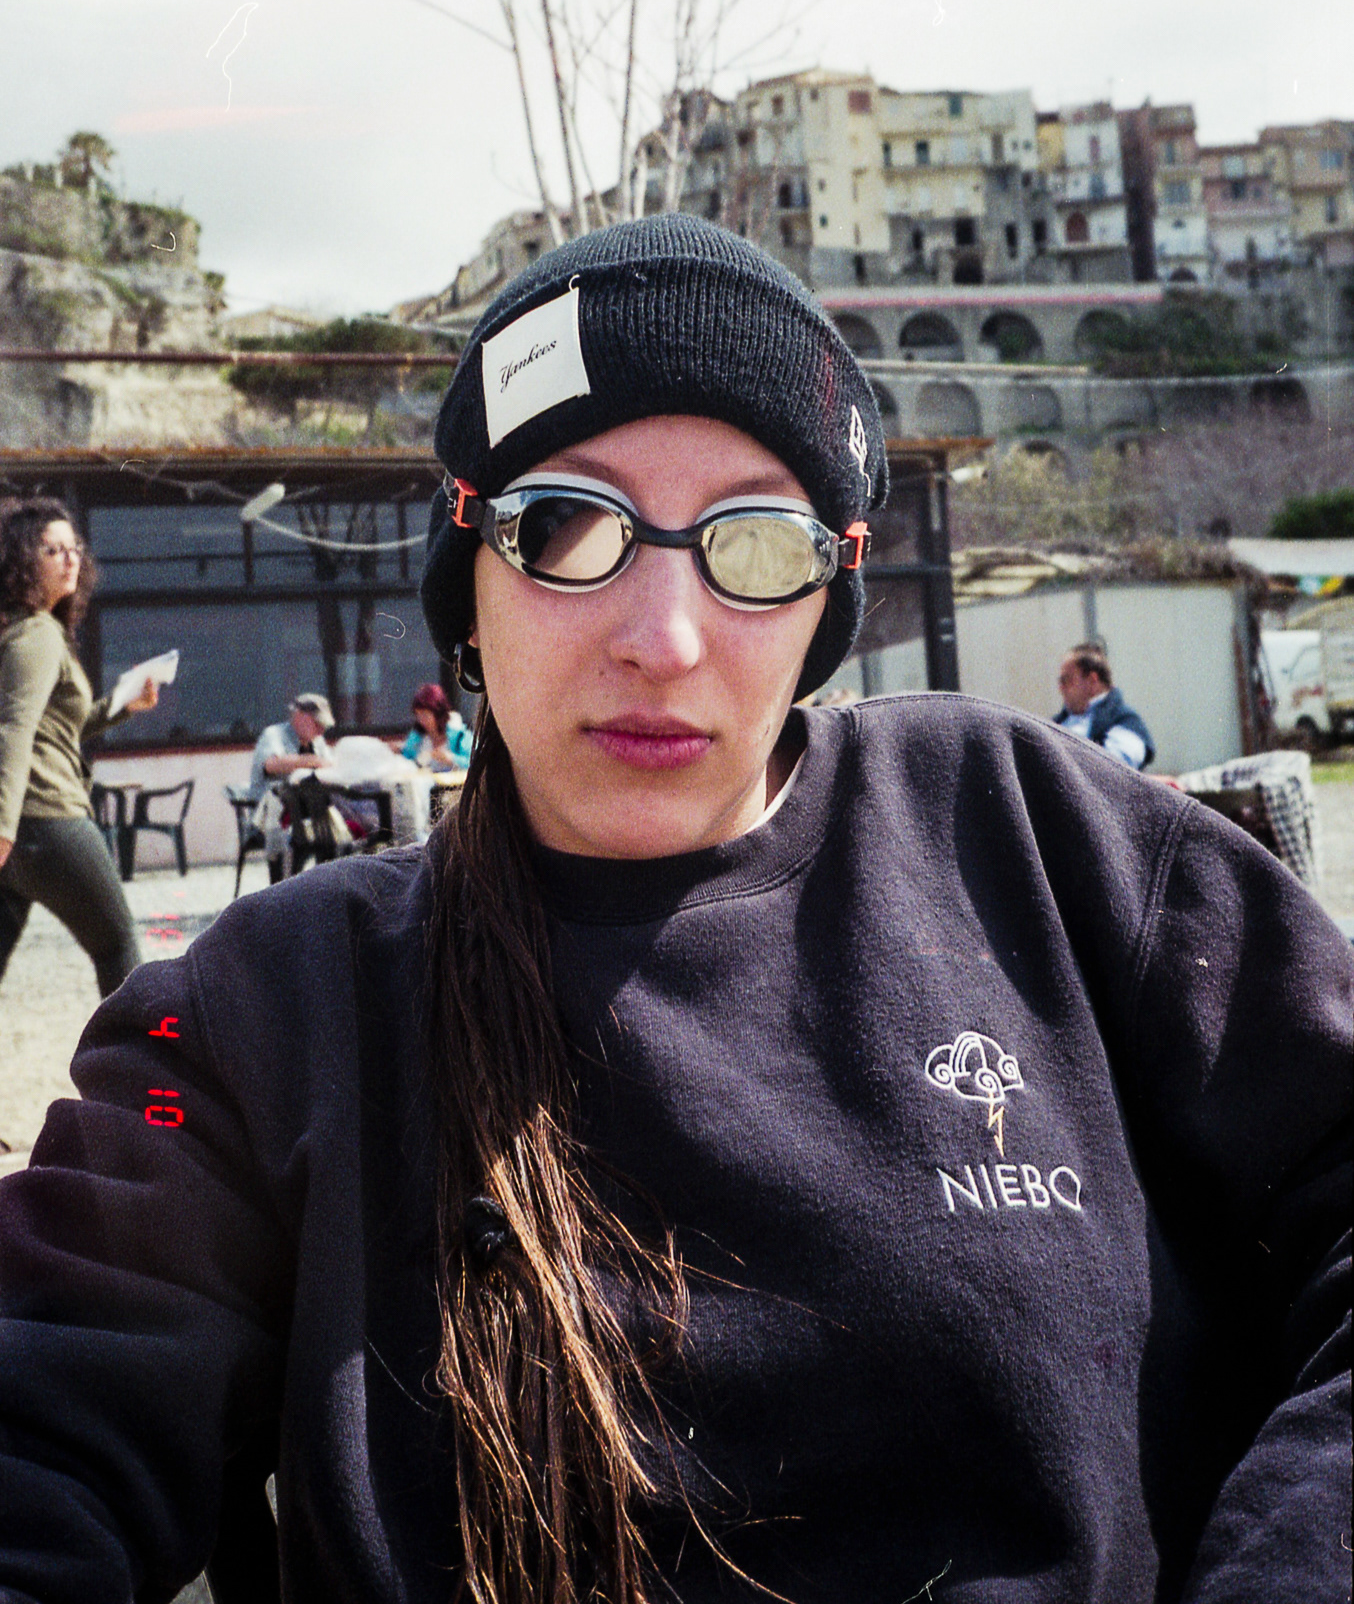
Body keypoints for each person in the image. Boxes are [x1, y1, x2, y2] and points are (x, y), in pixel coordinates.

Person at [0, 215, 1349, 1604]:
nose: (664, 637)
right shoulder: (276, 1005)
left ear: (826, 594)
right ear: (469, 579)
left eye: (753, 544)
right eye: (566, 527)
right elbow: (46, 1418)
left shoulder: (1032, 838)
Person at [0, 497, 159, 998]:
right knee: (117, 947)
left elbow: (55, 730)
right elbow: (13, 728)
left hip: (21, 826)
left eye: (74, 548)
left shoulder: (22, 630)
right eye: (53, 550)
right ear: (22, 561)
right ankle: (133, 1049)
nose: (70, 559)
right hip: (47, 820)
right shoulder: (38, 634)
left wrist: (122, 706)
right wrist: (2, 826)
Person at [247, 693, 334, 882]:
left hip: (308, 816)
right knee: (299, 840)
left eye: (324, 726)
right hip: (271, 819)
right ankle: (284, 889)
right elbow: (271, 765)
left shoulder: (317, 742)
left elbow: (330, 766)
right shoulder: (274, 735)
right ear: (300, 717)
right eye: (318, 724)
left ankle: (326, 888)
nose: (321, 731)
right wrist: (309, 761)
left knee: (337, 839)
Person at [1053, 640, 1155, 768]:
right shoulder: (1056, 723)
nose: (1061, 688)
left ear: (1092, 681)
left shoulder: (1126, 722)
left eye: (1066, 680)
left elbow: (1113, 769)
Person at [400, 679, 473, 771]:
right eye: (418, 715)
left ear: (438, 713)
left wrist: (451, 759)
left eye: (425, 715)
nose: (421, 720)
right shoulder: (416, 737)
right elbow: (406, 761)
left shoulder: (460, 737)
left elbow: (475, 763)